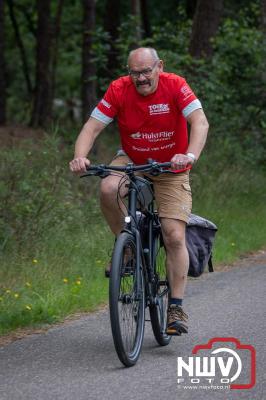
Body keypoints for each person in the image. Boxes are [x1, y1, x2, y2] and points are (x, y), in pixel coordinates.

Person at [69, 47, 209, 336]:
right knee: (108, 186)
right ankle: (128, 246)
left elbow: (200, 122)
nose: (141, 78)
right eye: (135, 73)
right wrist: (81, 156)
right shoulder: (119, 89)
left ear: (160, 66)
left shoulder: (176, 85)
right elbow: (92, 128)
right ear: (128, 71)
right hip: (133, 159)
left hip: (172, 164)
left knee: (173, 234)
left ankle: (176, 307)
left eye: (147, 71)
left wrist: (190, 155)